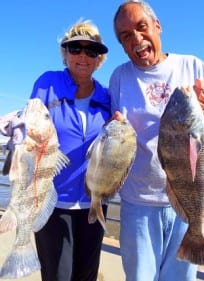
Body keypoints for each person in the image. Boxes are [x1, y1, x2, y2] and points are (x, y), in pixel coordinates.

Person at [109, 1, 204, 281]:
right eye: (126, 36)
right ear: (123, 46)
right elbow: (117, 133)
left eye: (141, 27)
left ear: (157, 26)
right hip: (138, 200)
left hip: (188, 206)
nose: (136, 38)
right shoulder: (120, 76)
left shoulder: (192, 65)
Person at [30, 21, 110, 281]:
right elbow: (31, 122)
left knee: (87, 275)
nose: (83, 56)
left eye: (92, 51)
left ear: (100, 59)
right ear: (65, 54)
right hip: (52, 201)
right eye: (75, 48)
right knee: (57, 275)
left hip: (95, 204)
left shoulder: (108, 96)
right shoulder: (48, 83)